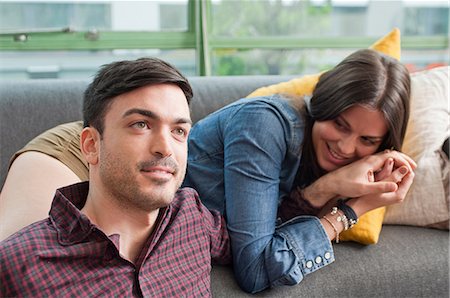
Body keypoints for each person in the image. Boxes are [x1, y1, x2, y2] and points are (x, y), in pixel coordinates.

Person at [0, 49, 415, 294]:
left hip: (157, 183)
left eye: (366, 141)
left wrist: (339, 194)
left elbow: (255, 239)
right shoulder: (268, 126)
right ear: (320, 106)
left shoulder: (195, 219)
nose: (346, 147)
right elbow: (257, 266)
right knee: (32, 263)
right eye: (340, 125)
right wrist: (341, 207)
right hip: (77, 151)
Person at [0, 58, 231, 297]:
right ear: (91, 145)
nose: (165, 148)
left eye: (178, 131)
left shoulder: (193, 217)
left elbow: (257, 247)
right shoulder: (18, 267)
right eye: (141, 124)